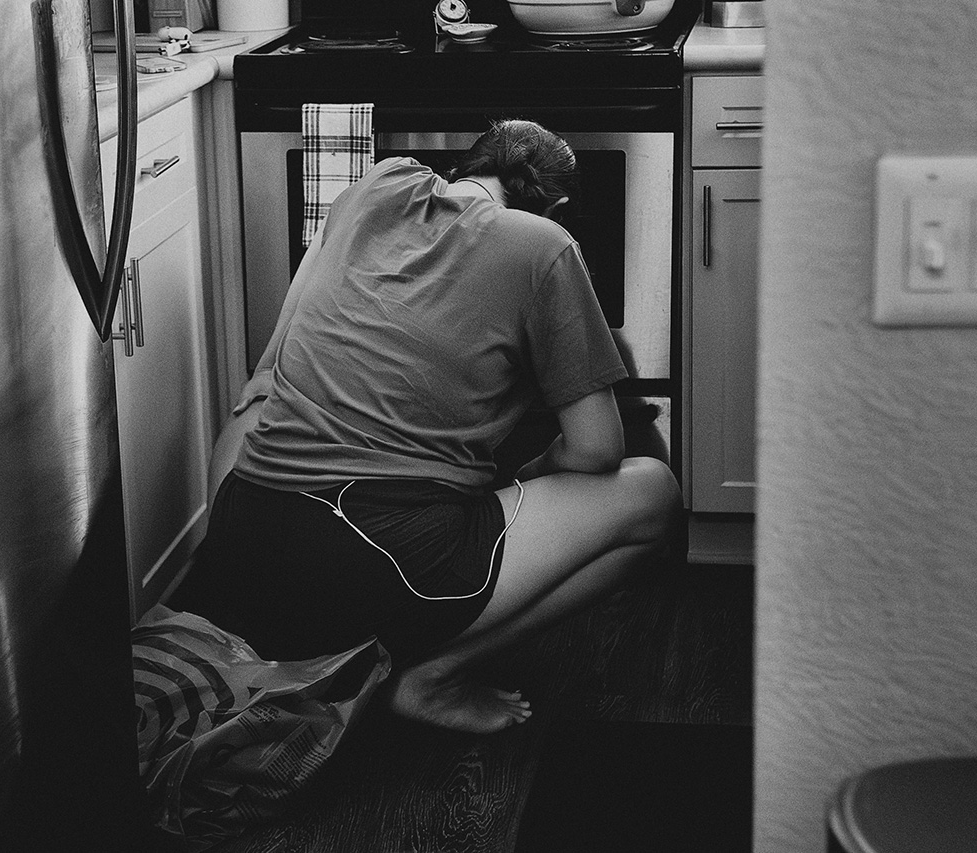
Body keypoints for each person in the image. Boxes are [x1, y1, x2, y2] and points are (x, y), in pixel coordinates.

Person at [170, 119, 681, 734]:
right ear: (560, 206)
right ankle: (431, 675)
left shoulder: (377, 185)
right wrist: (533, 474)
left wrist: (266, 370)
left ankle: (281, 641)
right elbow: (599, 449)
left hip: (246, 550)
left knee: (254, 411)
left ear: (467, 166)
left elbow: (312, 262)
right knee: (653, 494)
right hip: (377, 561)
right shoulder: (545, 244)